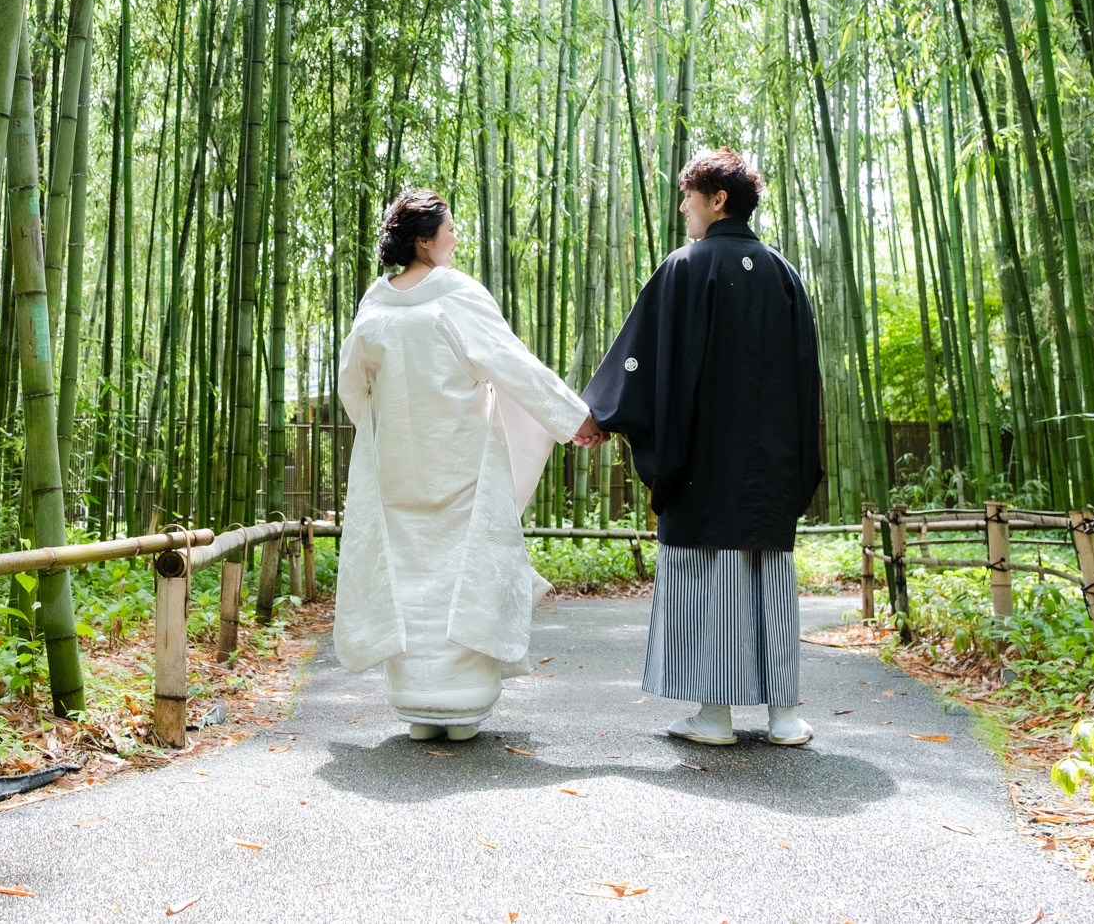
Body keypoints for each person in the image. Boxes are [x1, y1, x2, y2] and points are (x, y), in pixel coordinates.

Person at [579, 148, 824, 746]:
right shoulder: (783, 273)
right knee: (768, 577)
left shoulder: (684, 268)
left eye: (689, 196)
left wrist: (601, 414)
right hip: (770, 467)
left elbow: (640, 359)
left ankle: (713, 717)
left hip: (701, 466)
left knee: (710, 578)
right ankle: (784, 715)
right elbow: (806, 378)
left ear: (718, 200)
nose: (684, 207)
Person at [334, 188, 593, 742]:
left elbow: (353, 389)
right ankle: (461, 707)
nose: (456, 237)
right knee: (462, 566)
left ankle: (419, 707)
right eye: (449, 229)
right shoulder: (457, 296)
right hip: (461, 457)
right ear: (425, 241)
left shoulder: (374, 305)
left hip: (397, 462)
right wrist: (574, 419)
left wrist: (388, 430)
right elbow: (511, 364)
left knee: (407, 570)